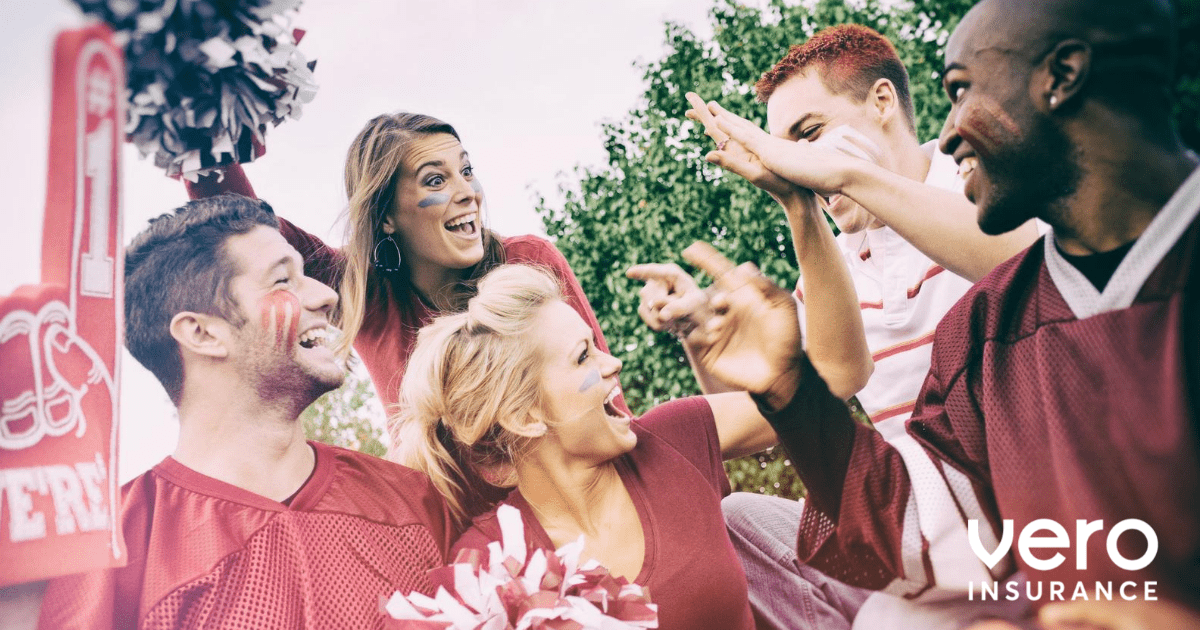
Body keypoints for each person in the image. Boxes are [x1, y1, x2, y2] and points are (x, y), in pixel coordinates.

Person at [657, 0, 1200, 626]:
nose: (949, 130)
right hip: (968, 538)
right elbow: (886, 472)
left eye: (963, 90)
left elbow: (1026, 257)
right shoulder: (975, 326)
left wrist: (845, 174)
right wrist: (777, 380)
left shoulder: (987, 207)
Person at [681, 24, 1036, 629]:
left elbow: (1025, 259)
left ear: (882, 102)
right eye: (779, 149)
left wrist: (843, 175)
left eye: (808, 134)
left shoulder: (977, 179)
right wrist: (698, 340)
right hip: (915, 526)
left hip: (1034, 520)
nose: (792, 162)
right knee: (738, 520)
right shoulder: (829, 266)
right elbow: (795, 404)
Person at [37, 195, 454, 630]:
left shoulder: (414, 501)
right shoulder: (110, 555)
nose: (326, 295)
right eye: (283, 281)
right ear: (202, 333)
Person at [393, 263, 784, 630]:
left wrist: (802, 223)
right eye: (583, 356)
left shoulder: (675, 436)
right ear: (524, 416)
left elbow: (812, 397)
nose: (613, 363)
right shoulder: (488, 568)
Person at [186, 113, 628, 417]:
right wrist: (194, 125)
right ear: (386, 216)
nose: (468, 193)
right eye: (435, 180)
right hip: (445, 525)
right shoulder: (364, 293)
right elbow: (245, 223)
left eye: (466, 171)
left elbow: (608, 397)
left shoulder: (530, 261)